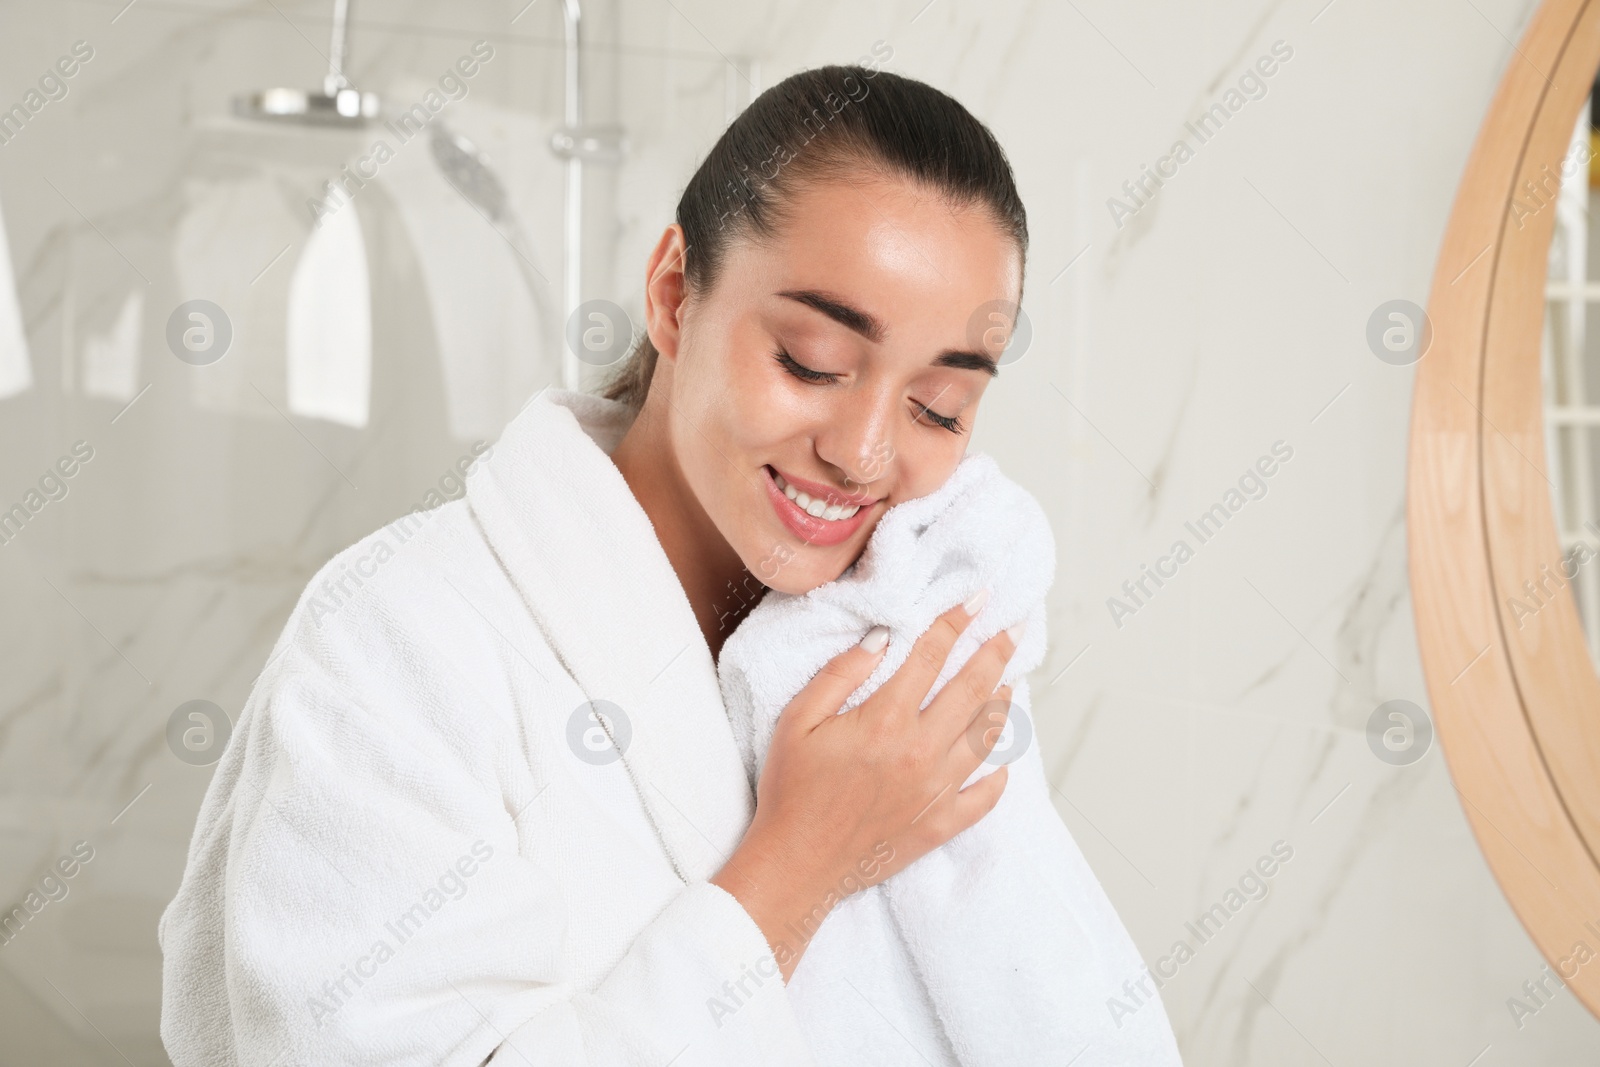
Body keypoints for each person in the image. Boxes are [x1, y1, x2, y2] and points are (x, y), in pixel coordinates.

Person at [160, 64, 1036, 1066]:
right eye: (811, 362)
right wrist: (803, 861)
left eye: (938, 407)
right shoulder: (397, 636)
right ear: (672, 295)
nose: (866, 450)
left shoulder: (908, 644)